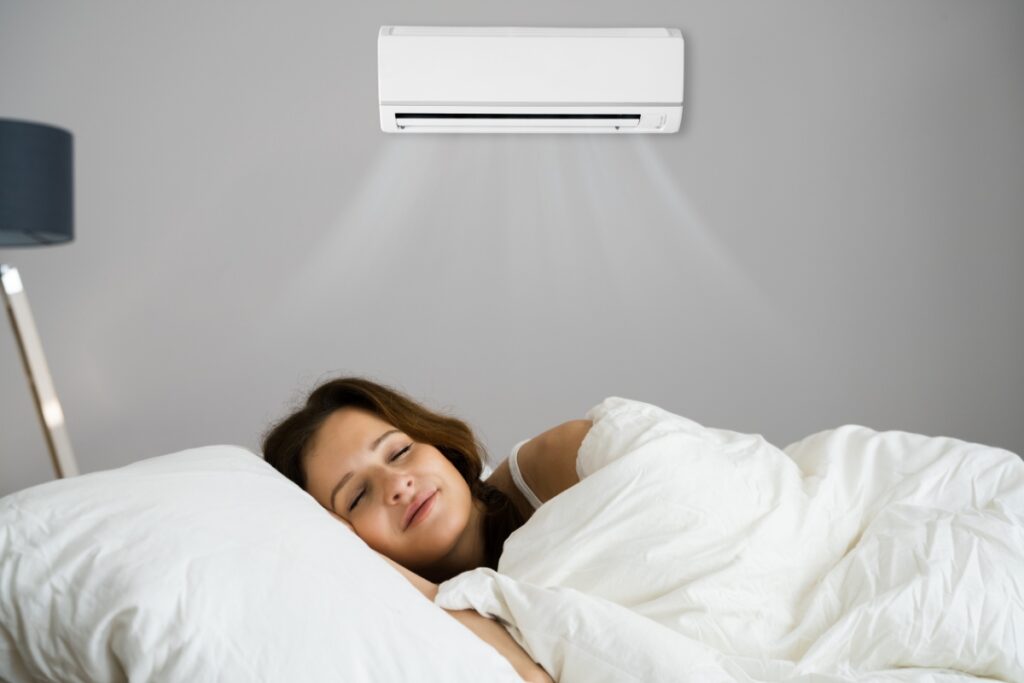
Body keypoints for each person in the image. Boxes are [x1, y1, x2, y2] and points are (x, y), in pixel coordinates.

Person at [262, 376, 587, 683]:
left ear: (438, 445)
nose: (397, 485)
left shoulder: (560, 463)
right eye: (359, 496)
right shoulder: (423, 631)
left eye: (399, 452)